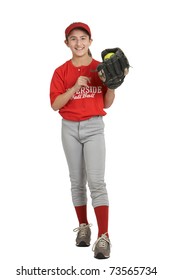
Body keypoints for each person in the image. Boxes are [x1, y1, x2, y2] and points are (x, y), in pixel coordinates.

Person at [50, 22, 115, 259]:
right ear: (67, 43)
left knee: (97, 182)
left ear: (90, 41)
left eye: (83, 38)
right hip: (69, 128)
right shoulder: (61, 72)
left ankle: (104, 237)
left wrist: (112, 86)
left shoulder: (100, 68)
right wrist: (74, 87)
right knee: (77, 180)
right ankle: (84, 228)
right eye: (73, 39)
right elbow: (55, 104)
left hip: (94, 126)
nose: (79, 43)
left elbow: (106, 103)